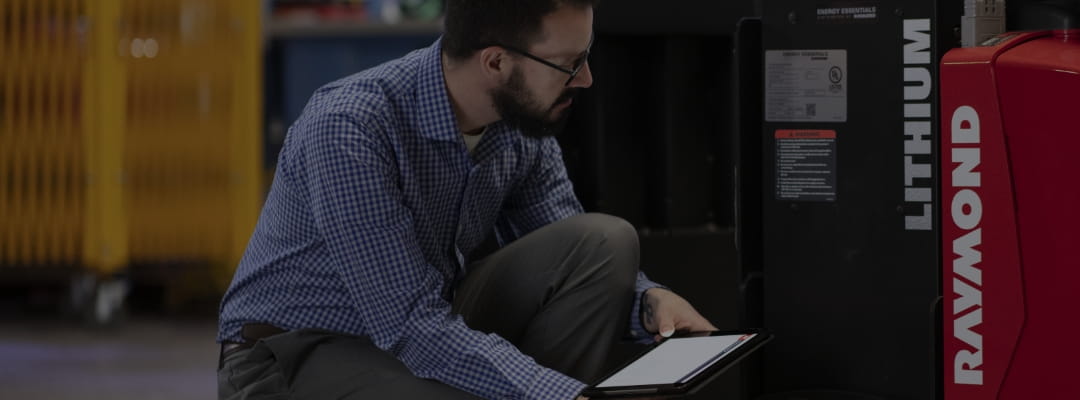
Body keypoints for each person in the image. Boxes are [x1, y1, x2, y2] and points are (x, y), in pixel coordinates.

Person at [216, 0, 715, 398]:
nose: (586, 79)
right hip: (295, 355)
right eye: (570, 63)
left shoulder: (520, 127)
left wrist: (648, 301)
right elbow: (409, 324)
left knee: (604, 243)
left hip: (422, 323)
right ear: (496, 62)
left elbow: (567, 245)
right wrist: (567, 394)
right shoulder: (351, 128)